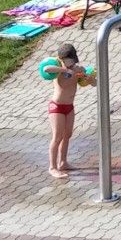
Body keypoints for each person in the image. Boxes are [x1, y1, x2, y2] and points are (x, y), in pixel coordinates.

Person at [45, 43, 92, 177]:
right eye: (68, 62)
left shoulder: (76, 69)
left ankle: (63, 162)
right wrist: (65, 70)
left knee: (68, 135)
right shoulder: (58, 69)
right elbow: (47, 69)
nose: (71, 65)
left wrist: (87, 77)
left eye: (73, 62)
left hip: (69, 107)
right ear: (61, 59)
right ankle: (52, 167)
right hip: (57, 107)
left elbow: (93, 83)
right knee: (57, 136)